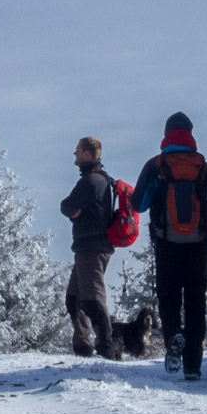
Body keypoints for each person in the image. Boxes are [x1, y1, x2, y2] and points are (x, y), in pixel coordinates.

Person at [130, 112, 207, 380]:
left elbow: (138, 204)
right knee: (196, 304)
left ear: (166, 134)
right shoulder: (203, 168)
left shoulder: (156, 165)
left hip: (166, 244)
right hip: (199, 247)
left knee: (169, 299)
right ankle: (193, 367)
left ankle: (174, 337)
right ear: (191, 134)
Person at [59, 135, 121, 359]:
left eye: (77, 150)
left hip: (92, 248)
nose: (74, 153)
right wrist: (76, 212)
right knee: (74, 299)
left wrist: (75, 212)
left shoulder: (91, 182)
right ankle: (83, 348)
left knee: (92, 300)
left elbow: (66, 206)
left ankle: (106, 350)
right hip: (89, 247)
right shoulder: (100, 180)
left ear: (87, 154)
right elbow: (71, 209)